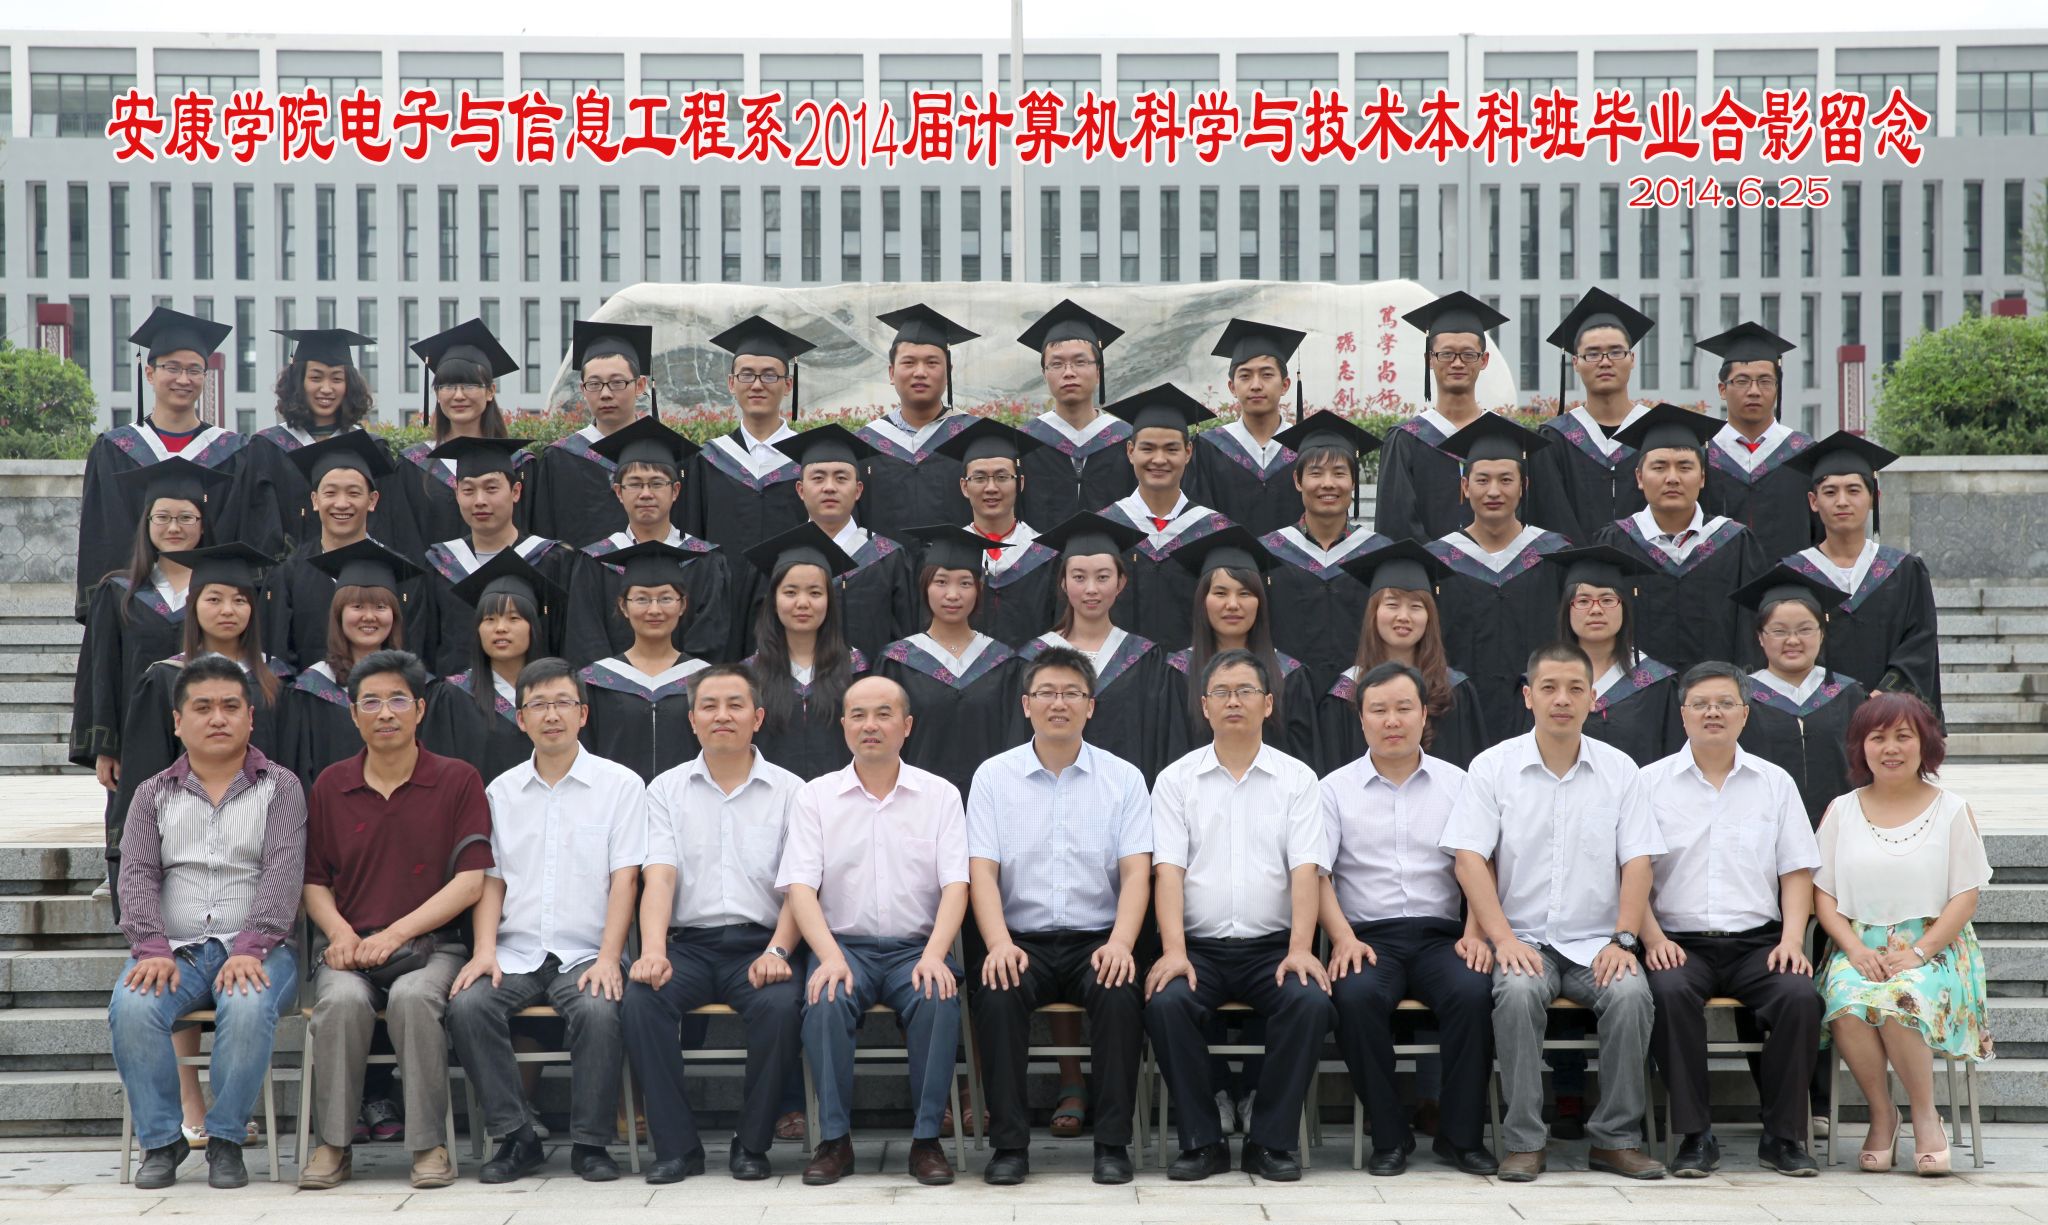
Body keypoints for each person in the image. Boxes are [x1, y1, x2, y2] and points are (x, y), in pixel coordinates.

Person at [1440, 642, 1667, 1183]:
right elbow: (1469, 860)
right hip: (1523, 939)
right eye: (1549, 688)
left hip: (1598, 942)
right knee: (1517, 994)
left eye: (1574, 689)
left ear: (1593, 698)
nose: (1561, 699)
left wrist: (1624, 939)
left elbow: (1638, 862)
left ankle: (1615, 1140)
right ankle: (1524, 1141)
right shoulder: (1493, 767)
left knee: (1632, 996)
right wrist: (1502, 939)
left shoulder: (1620, 771)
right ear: (1528, 696)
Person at [298, 649, 492, 1191]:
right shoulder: (331, 785)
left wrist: (397, 934)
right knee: (340, 1002)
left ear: (420, 710)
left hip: (434, 946)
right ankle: (333, 1145)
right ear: (353, 714)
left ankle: (428, 1145)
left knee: (412, 998)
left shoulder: (457, 779)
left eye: (398, 701)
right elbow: (313, 880)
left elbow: (470, 882)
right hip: (351, 947)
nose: (385, 713)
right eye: (371, 702)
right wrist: (339, 933)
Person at [109, 655, 305, 1191]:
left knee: (247, 1005)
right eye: (202, 708)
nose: (217, 718)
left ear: (250, 718)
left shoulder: (280, 787)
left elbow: (283, 871)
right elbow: (136, 874)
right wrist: (151, 947)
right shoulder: (152, 793)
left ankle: (225, 1139)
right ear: (178, 721)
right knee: (133, 1007)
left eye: (230, 706)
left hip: (262, 949)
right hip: (177, 950)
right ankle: (161, 1142)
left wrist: (251, 946)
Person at [446, 657, 644, 1184]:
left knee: (599, 1010)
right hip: (516, 949)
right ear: (521, 718)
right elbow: (492, 880)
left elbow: (625, 879)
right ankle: (517, 1137)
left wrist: (610, 958)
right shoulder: (501, 792)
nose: (551, 715)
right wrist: (484, 952)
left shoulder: (620, 786)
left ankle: (590, 1144)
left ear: (583, 713)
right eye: (538, 705)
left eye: (562, 703)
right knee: (469, 1006)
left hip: (587, 950)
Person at [1144, 648, 1333, 1182]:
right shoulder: (1176, 780)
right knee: (1166, 1002)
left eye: (1246, 691)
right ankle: (1202, 1143)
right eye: (1222, 693)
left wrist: (1301, 949)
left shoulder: (1297, 779)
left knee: (1309, 1002)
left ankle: (1270, 1142)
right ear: (1204, 706)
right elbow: (1168, 873)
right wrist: (1174, 951)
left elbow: (1305, 871)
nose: (1234, 702)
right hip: (1198, 949)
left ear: (1268, 704)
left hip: (1273, 948)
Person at [776, 676, 971, 1188]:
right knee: (824, 998)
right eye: (858, 715)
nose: (870, 725)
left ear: (906, 725)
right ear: (843, 725)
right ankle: (834, 1141)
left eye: (884, 714)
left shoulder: (940, 795)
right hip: (844, 947)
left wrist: (935, 955)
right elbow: (801, 888)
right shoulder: (816, 797)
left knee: (937, 997)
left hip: (916, 949)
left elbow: (957, 885)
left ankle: (926, 1142)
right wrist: (829, 957)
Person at [967, 647, 1151, 1186]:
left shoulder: (1123, 778)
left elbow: (1137, 873)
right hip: (1019, 939)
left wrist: (1121, 944)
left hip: (1098, 939)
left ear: (1090, 706)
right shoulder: (994, 777)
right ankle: (1009, 1147)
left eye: (1072, 693)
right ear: (1026, 704)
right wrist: (998, 944)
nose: (1059, 703)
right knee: (996, 992)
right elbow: (982, 872)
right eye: (1046, 692)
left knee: (1120, 992)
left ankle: (1112, 1144)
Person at [1638, 661, 1824, 1178]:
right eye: (1700, 704)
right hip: (1677, 942)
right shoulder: (1649, 783)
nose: (1712, 712)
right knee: (1669, 993)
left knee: (1799, 997)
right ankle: (1695, 1137)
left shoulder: (1774, 783)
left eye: (1724, 703)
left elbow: (1796, 871)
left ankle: (1783, 1137)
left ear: (1745, 713)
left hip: (1758, 944)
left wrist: (1792, 940)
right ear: (1683, 714)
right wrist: (1651, 938)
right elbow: (1631, 872)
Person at [625, 664, 805, 1183]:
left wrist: (778, 951)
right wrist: (652, 950)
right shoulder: (665, 790)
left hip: (763, 943)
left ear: (758, 717)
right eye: (709, 706)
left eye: (735, 705)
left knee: (780, 1007)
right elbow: (659, 877)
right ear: (692, 720)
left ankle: (752, 1144)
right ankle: (678, 1148)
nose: (722, 715)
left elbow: (800, 886)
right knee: (642, 1001)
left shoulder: (792, 791)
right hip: (689, 946)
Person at [1318, 661, 1496, 1177]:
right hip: (1368, 939)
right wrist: (1342, 939)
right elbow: (1317, 874)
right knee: (1354, 998)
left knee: (1473, 993)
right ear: (1361, 718)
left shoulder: (1459, 784)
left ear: (1424, 714)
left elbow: (1481, 864)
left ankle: (1460, 1138)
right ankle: (1390, 1135)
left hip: (1443, 937)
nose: (1391, 720)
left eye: (1403, 708)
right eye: (1378, 710)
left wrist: (1475, 933)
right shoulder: (1333, 789)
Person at [1815, 691, 1992, 1177]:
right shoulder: (1841, 810)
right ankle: (1882, 1115)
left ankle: (1925, 1115)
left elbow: (1965, 897)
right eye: (1877, 738)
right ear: (1861, 746)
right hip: (1860, 946)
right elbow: (1824, 897)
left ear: (1926, 744)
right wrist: (1853, 950)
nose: (1890, 748)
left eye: (1903, 736)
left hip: (1935, 948)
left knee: (1900, 998)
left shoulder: (1952, 810)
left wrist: (1918, 951)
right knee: (1847, 1002)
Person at [112, 544, 291, 900]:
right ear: (193, 605)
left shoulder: (277, 681)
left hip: (260, 852)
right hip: (184, 853)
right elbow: (143, 776)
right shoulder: (165, 679)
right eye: (214, 599)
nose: (228, 610)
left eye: (240, 600)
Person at [75, 307, 254, 622]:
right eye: (172, 368)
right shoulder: (114, 449)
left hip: (210, 611)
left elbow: (237, 530)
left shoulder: (233, 452)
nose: (183, 379)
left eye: (194, 370)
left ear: (204, 376)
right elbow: (102, 535)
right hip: (133, 611)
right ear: (150, 373)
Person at [72, 461, 230, 799]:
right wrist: (105, 748)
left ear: (203, 524)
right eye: (163, 517)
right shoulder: (118, 593)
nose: (174, 527)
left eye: (186, 517)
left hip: (211, 738)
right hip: (136, 739)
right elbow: (101, 673)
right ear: (146, 523)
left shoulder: (222, 593)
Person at [1427, 414, 1572, 743]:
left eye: (1506, 480)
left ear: (1523, 486)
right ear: (1465, 487)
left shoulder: (1554, 555)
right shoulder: (1438, 559)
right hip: (1457, 713)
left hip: (1537, 714)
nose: (1494, 491)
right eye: (1482, 480)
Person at [1595, 403, 1769, 676]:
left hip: (1718, 694)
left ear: (1702, 477)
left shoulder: (1735, 543)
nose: (1672, 478)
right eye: (1659, 467)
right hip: (1635, 694)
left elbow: (1751, 631)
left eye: (1684, 467)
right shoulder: (1616, 543)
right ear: (1639, 477)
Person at [1781, 432, 1943, 718]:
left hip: (1889, 716)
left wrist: (1883, 696)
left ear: (1873, 498)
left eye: (1854, 490)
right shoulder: (1793, 574)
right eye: (1830, 492)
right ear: (1813, 501)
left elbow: (1920, 644)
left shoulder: (1904, 570)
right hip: (1817, 718)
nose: (1842, 501)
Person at [1019, 513, 1178, 783]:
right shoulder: (1035, 656)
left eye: (1103, 577)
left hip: (1122, 794)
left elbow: (1156, 741)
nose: (1091, 589)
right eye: (1079, 577)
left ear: (1120, 583)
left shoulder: (1144, 658)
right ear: (1063, 583)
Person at [239, 328, 419, 559]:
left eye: (336, 378)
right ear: (298, 383)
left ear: (349, 385)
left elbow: (389, 524)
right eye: (316, 378)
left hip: (359, 572)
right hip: (290, 574)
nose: (326, 388)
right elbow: (259, 528)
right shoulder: (268, 449)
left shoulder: (371, 449)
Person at [877, 526, 1028, 799]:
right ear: (925, 586)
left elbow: (1014, 739)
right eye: (941, 582)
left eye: (965, 583)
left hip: (989, 801)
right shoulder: (897, 662)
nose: (952, 594)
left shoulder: (1004, 662)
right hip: (915, 803)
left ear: (979, 588)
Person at [265, 431, 432, 674]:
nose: (342, 504)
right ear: (315, 500)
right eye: (330, 493)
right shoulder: (288, 575)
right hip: (309, 696)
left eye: (354, 493)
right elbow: (279, 661)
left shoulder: (403, 574)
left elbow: (414, 653)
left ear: (372, 500)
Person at [569, 416, 732, 662]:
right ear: (618, 492)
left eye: (656, 483)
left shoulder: (705, 561)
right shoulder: (594, 561)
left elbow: (710, 644)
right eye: (635, 484)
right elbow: (587, 642)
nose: (646, 494)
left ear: (675, 491)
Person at [418, 436, 584, 676]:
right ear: (457, 494)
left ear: (516, 492)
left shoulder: (551, 559)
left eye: (491, 488)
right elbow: (428, 646)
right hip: (459, 696)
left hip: (538, 692)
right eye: (468, 490)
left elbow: (567, 640)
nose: (480, 501)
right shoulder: (441, 563)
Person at [1318, 540, 1487, 773]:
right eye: (1392, 604)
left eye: (1416, 606)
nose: (1403, 616)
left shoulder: (1454, 691)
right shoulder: (1346, 694)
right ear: (1374, 613)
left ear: (1429, 616)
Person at [757, 425, 918, 662]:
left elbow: (904, 641)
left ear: (858, 490)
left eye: (841, 478)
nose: (829, 487)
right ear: (800, 490)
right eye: (818, 478)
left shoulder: (888, 558)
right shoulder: (778, 557)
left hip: (872, 683)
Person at [278, 541, 424, 788]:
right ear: (339, 615)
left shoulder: (417, 687)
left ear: (394, 615)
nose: (369, 616)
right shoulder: (311, 691)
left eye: (380, 607)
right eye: (357, 606)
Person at [1166, 527, 1317, 763]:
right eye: (1220, 593)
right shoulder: (1179, 672)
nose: (1233, 604)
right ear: (1202, 601)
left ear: (1260, 602)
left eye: (1245, 593)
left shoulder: (1288, 674)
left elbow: (1305, 762)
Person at [1097, 383, 1230, 651]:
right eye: (1148, 449)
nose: (1159, 459)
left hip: (1194, 669)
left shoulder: (1215, 531)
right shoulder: (1105, 528)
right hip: (1117, 670)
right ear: (1130, 451)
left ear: (1188, 452)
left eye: (1171, 449)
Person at [1260, 414, 1387, 694]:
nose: (1328, 484)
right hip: (1286, 696)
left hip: (1361, 698)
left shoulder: (1379, 554)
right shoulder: (1269, 553)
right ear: (1297, 480)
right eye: (1316, 473)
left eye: (1339, 473)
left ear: (1353, 482)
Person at [1734, 566, 1870, 826]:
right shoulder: (1741, 697)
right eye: (1779, 631)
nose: (1793, 640)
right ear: (1760, 637)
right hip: (1761, 828)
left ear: (1822, 633)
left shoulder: (1849, 695)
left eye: (1805, 629)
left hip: (1841, 828)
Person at [421, 552, 568, 786]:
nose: (500, 628)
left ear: (533, 627)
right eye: (489, 619)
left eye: (513, 618)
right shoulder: (453, 697)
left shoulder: (560, 696)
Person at [1374, 292, 1510, 544]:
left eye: (1468, 354)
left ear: (1484, 360)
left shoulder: (1506, 436)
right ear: (1429, 359)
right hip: (1424, 568)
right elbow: (1396, 524)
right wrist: (1440, 563)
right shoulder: (1406, 440)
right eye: (1446, 354)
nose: (1457, 363)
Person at [1525, 289, 1657, 543]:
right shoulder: (1553, 440)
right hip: (1572, 567)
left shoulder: (1655, 432)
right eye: (1593, 354)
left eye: (1616, 352)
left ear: (1632, 359)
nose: (1605, 362)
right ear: (1575, 362)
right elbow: (1549, 517)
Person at [682, 316, 814, 562]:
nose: (757, 385)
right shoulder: (708, 460)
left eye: (769, 376)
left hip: (793, 585)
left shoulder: (809, 460)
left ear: (788, 385)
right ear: (731, 383)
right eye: (747, 375)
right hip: (722, 586)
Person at [576, 542, 710, 783]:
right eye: (642, 599)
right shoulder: (595, 681)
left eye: (666, 598)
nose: (654, 610)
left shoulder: (705, 679)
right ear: (623, 606)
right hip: (614, 801)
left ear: (682, 605)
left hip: (689, 801)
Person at [742, 524, 868, 780]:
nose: (803, 603)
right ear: (773, 601)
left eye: (815, 593)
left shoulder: (856, 669)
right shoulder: (748, 676)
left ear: (829, 601)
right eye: (790, 592)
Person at [1542, 545, 1683, 766]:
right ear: (1567, 610)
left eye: (1607, 600)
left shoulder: (1657, 684)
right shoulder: (1542, 681)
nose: (1596, 610)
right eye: (1583, 601)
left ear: (1624, 608)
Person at [526, 320, 659, 548]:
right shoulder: (559, 459)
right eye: (594, 384)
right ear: (583, 390)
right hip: (580, 571)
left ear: (640, 386)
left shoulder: (663, 452)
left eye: (617, 382)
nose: (605, 394)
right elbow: (546, 539)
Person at [856, 304, 981, 538]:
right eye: (909, 363)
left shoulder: (974, 436)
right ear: (891, 373)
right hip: (886, 562)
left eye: (932, 363)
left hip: (958, 561)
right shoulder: (864, 444)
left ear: (948, 371)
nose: (920, 372)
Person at [402, 318, 530, 547]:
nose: (458, 396)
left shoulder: (519, 464)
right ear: (437, 394)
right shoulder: (412, 465)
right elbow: (404, 540)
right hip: (431, 571)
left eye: (470, 385)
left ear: (490, 391)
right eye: (448, 386)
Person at [1696, 322, 1815, 563]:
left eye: (1765, 381)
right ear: (1722, 389)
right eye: (1742, 381)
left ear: (1777, 388)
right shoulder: (1702, 454)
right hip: (1719, 580)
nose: (1754, 391)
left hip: (1790, 582)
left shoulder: (1803, 453)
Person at [934, 418, 1059, 646]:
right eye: (979, 478)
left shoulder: (1046, 556)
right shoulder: (943, 554)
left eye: (1002, 477)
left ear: (1020, 483)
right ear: (964, 487)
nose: (991, 488)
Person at [1016, 299, 1136, 525]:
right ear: (1044, 374)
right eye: (1057, 364)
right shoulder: (1025, 443)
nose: (1069, 372)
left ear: (1098, 371)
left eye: (1080, 362)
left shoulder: (1127, 440)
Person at [1191, 319, 1309, 534]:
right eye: (1245, 376)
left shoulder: (1305, 448)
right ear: (1232, 387)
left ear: (1285, 385)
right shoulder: (1208, 449)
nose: (1256, 385)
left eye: (1267, 375)